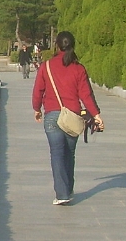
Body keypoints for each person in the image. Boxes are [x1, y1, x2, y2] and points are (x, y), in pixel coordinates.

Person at [32, 32, 103, 205]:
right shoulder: (78, 68)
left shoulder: (46, 66)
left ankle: (62, 194)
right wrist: (96, 114)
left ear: (57, 46)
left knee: (57, 154)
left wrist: (37, 109)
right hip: (72, 116)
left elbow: (38, 90)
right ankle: (68, 188)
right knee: (69, 154)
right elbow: (86, 94)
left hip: (52, 117)